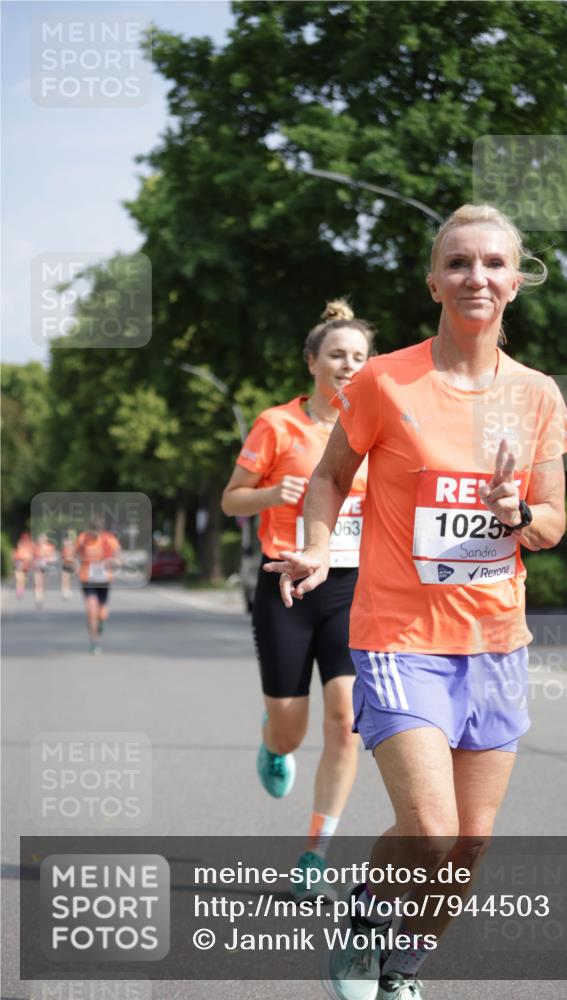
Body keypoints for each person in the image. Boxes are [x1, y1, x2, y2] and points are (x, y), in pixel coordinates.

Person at [267, 205, 567, 1000]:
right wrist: (311, 541)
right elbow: (332, 477)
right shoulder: (383, 380)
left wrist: (514, 511)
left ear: (515, 280)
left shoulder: (538, 395)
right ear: (434, 278)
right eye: (458, 263)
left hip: (496, 642)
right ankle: (366, 914)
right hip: (398, 635)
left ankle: (402, 964)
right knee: (432, 834)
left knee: (468, 847)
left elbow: (549, 524)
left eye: (492, 264)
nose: (475, 277)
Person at [222, 299, 375, 899]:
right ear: (313, 361)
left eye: (360, 357)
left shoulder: (377, 427)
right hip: (283, 584)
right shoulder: (276, 425)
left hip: (350, 586)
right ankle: (272, 739)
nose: (348, 365)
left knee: (345, 723)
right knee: (291, 732)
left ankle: (317, 849)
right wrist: (271, 494)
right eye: (337, 355)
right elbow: (233, 498)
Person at [75, 521, 122, 654]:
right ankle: (94, 642)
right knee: (91, 610)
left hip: (104, 580)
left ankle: (100, 622)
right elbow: (74, 553)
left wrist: (115, 562)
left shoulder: (109, 539)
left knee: (102, 613)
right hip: (87, 578)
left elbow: (118, 554)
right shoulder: (82, 538)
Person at [31, 533, 58, 608]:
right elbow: (31, 556)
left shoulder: (49, 547)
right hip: (37, 566)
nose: (42, 540)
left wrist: (48, 559)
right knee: (37, 582)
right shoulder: (35, 547)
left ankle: (41, 596)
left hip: (45, 567)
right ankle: (38, 597)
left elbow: (54, 558)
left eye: (44, 539)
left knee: (41, 582)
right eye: (41, 539)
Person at [12, 532, 33, 600]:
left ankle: (21, 590)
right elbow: (14, 556)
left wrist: (28, 563)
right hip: (19, 563)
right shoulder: (19, 547)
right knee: (19, 578)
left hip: (25, 565)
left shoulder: (28, 547)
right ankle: (19, 591)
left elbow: (30, 557)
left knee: (23, 579)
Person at [60, 529, 77, 600]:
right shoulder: (65, 544)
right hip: (66, 562)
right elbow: (63, 555)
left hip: (71, 563)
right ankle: (64, 591)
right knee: (65, 577)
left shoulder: (73, 545)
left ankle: (66, 590)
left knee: (67, 578)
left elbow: (74, 554)